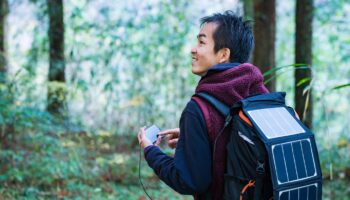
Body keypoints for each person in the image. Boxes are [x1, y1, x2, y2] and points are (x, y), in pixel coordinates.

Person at [137, 11, 268, 200]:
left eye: (201, 42)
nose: (193, 49)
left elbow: (189, 181)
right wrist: (195, 137)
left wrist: (151, 151)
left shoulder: (198, 108)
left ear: (223, 54)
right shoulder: (260, 97)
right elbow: (239, 140)